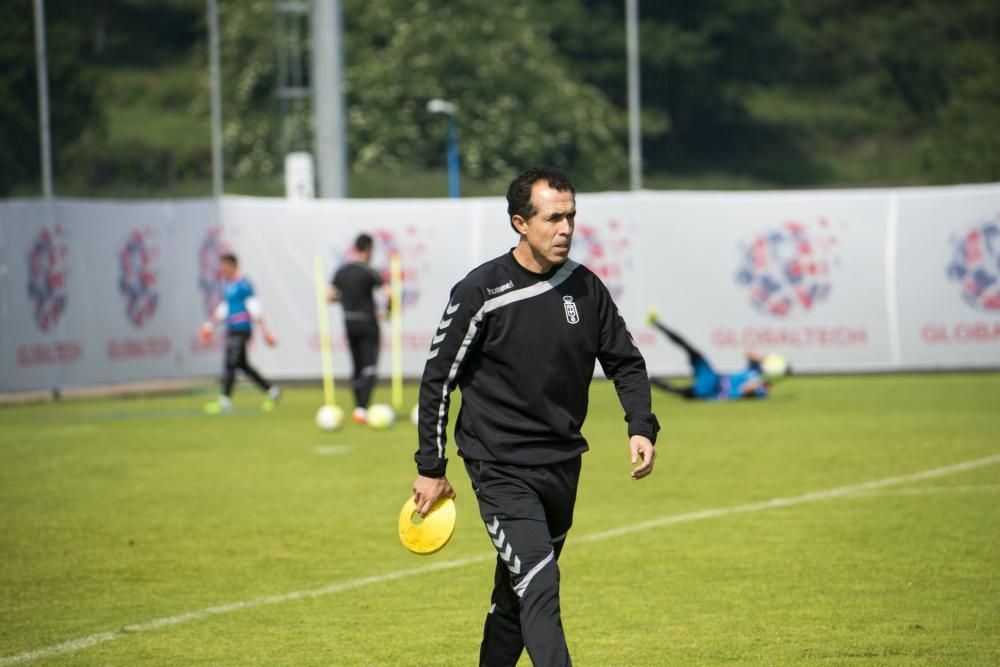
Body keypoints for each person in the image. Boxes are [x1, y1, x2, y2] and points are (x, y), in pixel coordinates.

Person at [410, 166, 660, 666]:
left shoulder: (586, 288)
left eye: (570, 217)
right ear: (520, 223)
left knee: (516, 593)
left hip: (563, 464)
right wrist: (430, 467)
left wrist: (640, 425)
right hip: (499, 466)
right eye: (553, 218)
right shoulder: (480, 292)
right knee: (540, 583)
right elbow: (439, 377)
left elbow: (625, 362)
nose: (565, 229)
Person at [645, 307, 783, 400]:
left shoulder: (762, 389)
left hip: (713, 390)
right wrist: (765, 358)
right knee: (689, 349)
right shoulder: (756, 369)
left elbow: (746, 390)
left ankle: (647, 378)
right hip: (713, 376)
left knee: (678, 391)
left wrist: (763, 380)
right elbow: (748, 353)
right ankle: (658, 324)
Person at [200, 253, 280, 414]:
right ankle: (272, 391)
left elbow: (254, 308)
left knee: (230, 363)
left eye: (225, 266)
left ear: (233, 265)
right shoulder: (228, 284)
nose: (222, 269)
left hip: (242, 329)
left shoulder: (244, 284)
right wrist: (210, 326)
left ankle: (224, 401)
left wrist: (265, 332)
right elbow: (224, 308)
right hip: (232, 328)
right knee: (242, 366)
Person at [328, 233, 390, 425]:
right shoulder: (369, 271)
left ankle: (358, 408)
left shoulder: (342, 271)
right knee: (369, 366)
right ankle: (362, 408)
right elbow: (388, 292)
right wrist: (386, 310)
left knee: (356, 366)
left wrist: (345, 298)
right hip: (368, 322)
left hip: (349, 322)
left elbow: (328, 296)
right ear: (368, 249)